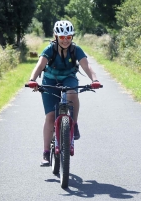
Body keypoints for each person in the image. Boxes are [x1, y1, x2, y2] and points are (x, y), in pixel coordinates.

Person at [28, 20, 101, 166]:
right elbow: (40, 65)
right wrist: (32, 80)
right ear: (56, 36)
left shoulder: (76, 49)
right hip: (50, 80)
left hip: (69, 78)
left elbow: (87, 66)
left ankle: (73, 123)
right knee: (50, 117)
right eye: (62, 37)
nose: (65, 40)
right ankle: (46, 153)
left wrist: (95, 79)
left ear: (72, 37)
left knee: (72, 92)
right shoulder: (50, 49)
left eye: (68, 37)